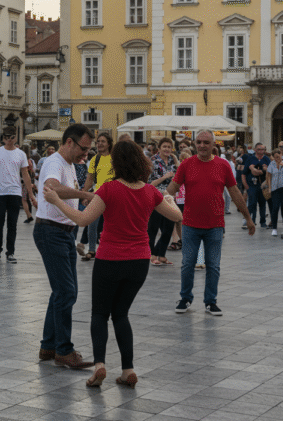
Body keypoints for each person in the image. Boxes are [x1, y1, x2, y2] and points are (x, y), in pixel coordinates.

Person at [44, 140, 182, 388]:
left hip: (110, 259)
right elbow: (177, 216)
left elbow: (83, 220)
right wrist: (169, 199)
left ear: (116, 163)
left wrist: (56, 200)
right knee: (121, 314)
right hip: (139, 261)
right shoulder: (150, 192)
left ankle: (100, 365)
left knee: (100, 313)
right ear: (142, 161)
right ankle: (128, 369)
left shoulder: (109, 189)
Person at [166, 130, 254, 315]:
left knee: (213, 265)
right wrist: (161, 202)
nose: (202, 145)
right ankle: (185, 298)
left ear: (213, 144)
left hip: (215, 224)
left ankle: (210, 301)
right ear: (195, 144)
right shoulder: (186, 164)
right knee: (187, 263)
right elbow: (172, 189)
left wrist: (247, 217)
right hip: (190, 223)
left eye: (206, 142)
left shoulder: (222, 165)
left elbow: (235, 192)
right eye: (199, 142)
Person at [33, 124, 95, 369]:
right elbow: (53, 187)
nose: (85, 155)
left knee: (63, 291)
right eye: (83, 149)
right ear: (69, 142)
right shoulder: (54, 162)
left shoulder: (68, 164)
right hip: (51, 232)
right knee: (66, 292)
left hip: (65, 233)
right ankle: (64, 351)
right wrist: (84, 195)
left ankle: (48, 346)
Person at [0, 127, 36, 262]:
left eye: (12, 137)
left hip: (15, 191)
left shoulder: (21, 154)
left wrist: (31, 194)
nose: (9, 140)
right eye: (7, 137)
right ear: (3, 138)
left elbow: (25, 174)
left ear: (16, 138)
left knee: (12, 224)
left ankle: (10, 252)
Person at [79, 133, 114, 261]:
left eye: (103, 141)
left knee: (111, 225)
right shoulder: (95, 159)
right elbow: (90, 178)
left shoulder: (114, 158)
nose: (99, 144)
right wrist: (84, 194)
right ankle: (92, 250)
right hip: (97, 195)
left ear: (109, 143)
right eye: (98, 141)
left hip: (113, 195)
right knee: (92, 224)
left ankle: (109, 249)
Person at [147, 138, 179, 266]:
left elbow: (180, 173)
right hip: (157, 197)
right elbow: (150, 183)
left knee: (169, 227)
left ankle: (161, 255)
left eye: (169, 147)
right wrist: (164, 177)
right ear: (159, 148)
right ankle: (153, 255)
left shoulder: (172, 160)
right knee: (153, 227)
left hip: (170, 197)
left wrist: (176, 161)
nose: (167, 149)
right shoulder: (153, 161)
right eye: (164, 146)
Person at [243, 143, 270, 229]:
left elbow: (270, 172)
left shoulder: (266, 159)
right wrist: (246, 186)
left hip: (263, 185)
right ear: (255, 149)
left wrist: (262, 172)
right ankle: (250, 221)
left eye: (263, 149)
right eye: (259, 149)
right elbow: (244, 173)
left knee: (262, 204)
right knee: (252, 203)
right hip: (252, 185)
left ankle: (263, 222)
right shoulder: (250, 158)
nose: (261, 151)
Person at [21, 144, 36, 223]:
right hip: (30, 181)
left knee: (24, 200)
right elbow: (32, 172)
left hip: (25, 182)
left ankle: (29, 215)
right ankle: (29, 215)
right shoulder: (30, 160)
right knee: (28, 199)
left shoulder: (24, 160)